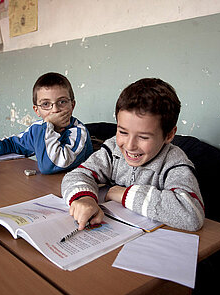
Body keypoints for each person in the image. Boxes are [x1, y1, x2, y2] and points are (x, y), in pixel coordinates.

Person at [61, 78, 205, 231]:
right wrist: (85, 198)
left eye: (143, 137)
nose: (129, 145)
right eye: (122, 132)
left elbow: (191, 215)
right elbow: (77, 175)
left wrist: (124, 195)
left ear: (169, 135)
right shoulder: (113, 149)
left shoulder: (174, 163)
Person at [0, 72, 93, 174]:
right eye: (46, 104)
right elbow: (15, 143)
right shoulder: (38, 128)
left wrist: (47, 125)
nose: (55, 110)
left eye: (62, 102)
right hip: (49, 189)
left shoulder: (78, 132)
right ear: (37, 110)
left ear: (72, 105)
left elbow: (50, 166)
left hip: (76, 194)